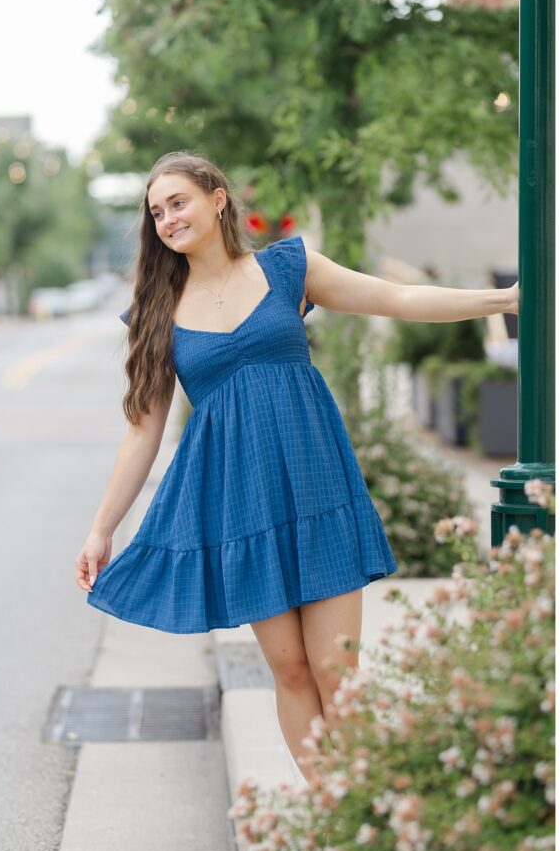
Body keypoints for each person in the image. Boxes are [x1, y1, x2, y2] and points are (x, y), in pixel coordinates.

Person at [74, 150, 519, 783]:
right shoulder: (158, 312)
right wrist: (101, 529)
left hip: (317, 488)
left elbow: (395, 296)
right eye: (156, 212)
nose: (168, 219)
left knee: (338, 671)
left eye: (178, 202)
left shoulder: (289, 268)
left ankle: (368, 807)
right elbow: (141, 434)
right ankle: (337, 818)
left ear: (217, 198)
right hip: (241, 505)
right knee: (289, 669)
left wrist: (504, 299)